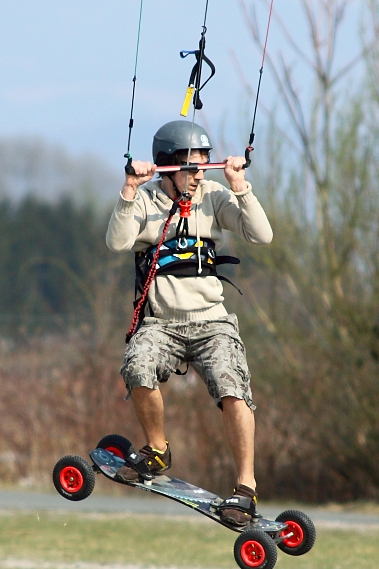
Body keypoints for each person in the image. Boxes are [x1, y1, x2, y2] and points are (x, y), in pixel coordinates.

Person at [105, 120, 272, 527]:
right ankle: (157, 450)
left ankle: (245, 487)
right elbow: (117, 241)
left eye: (203, 166)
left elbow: (261, 235)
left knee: (233, 388)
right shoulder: (144, 202)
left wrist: (239, 185)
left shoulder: (214, 197)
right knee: (137, 366)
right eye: (191, 167)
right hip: (161, 323)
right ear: (166, 167)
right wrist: (129, 191)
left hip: (211, 323)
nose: (199, 175)